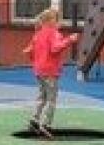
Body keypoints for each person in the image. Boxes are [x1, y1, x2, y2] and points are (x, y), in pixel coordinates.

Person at [23, 7, 78, 137]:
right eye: (58, 19)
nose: (60, 22)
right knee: (51, 99)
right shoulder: (54, 33)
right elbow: (55, 48)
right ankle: (46, 124)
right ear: (52, 21)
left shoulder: (38, 34)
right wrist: (70, 40)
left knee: (42, 96)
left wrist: (37, 60)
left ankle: (35, 120)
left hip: (39, 70)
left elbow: (30, 51)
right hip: (50, 70)